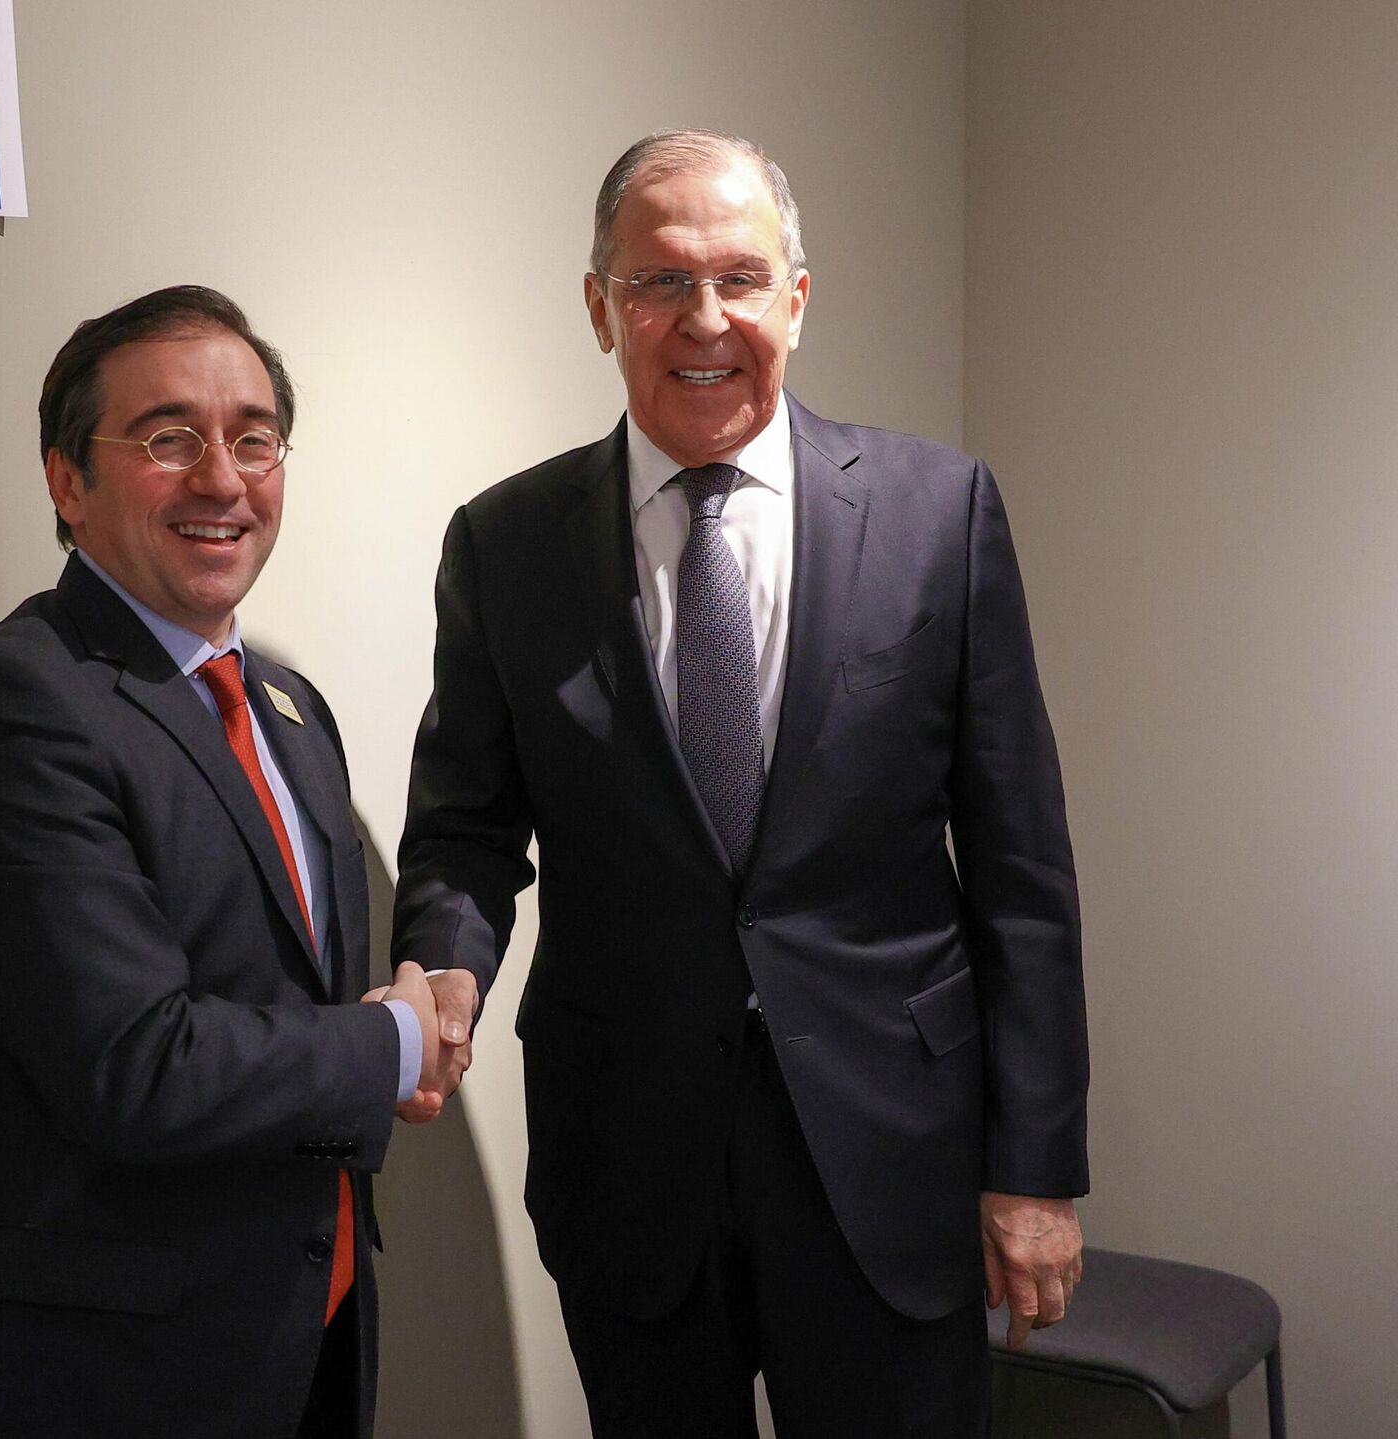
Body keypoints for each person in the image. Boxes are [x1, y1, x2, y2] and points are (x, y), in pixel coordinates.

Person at [393, 131, 1089, 1437]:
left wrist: (1037, 1166)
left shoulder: (938, 515)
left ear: (797, 298)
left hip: (890, 1159)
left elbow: (1022, 869)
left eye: (739, 278)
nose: (703, 318)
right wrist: (443, 961)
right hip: (630, 1162)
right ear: (599, 306)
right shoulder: (507, 543)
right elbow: (465, 828)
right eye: (659, 281)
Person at [0, 286, 444, 1439]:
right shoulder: (14, 706)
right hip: (81, 1379)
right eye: (169, 438)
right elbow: (138, 1066)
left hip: (293, 1344)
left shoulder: (292, 710)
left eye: (254, 438)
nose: (222, 478)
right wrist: (394, 1040)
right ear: (67, 480)